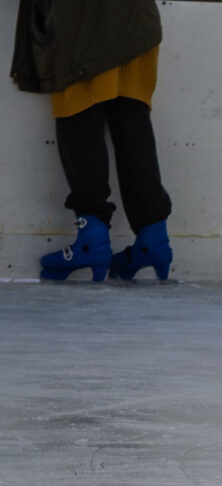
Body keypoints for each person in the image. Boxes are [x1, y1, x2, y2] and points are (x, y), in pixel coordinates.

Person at [11, 0, 174, 281]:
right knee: (131, 114)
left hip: (80, 24)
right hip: (137, 19)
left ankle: (92, 239)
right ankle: (153, 239)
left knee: (78, 112)